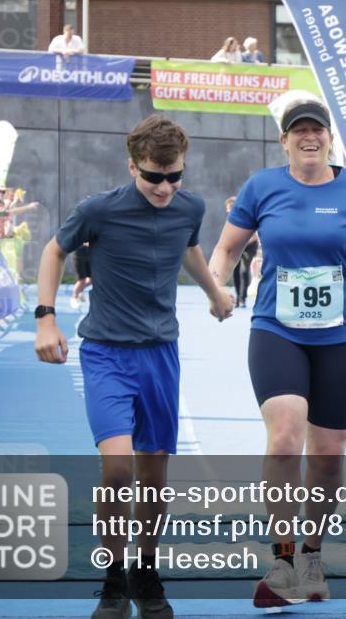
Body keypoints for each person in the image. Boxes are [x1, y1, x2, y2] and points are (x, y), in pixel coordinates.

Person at [208, 98, 346, 608]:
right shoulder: (263, 187)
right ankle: (282, 558)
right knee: (285, 436)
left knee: (327, 456)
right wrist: (218, 286)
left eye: (317, 130)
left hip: (342, 336)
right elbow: (226, 248)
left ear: (330, 139)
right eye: (298, 130)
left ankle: (311, 553)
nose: (308, 137)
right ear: (283, 140)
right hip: (277, 329)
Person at [34, 115, 234, 619]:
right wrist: (46, 319)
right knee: (118, 466)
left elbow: (188, 246)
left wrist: (214, 291)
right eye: (153, 177)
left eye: (174, 176)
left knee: (153, 472)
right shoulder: (98, 209)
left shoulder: (190, 206)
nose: (165, 188)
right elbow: (54, 251)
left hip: (161, 355)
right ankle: (112, 577)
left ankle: (145, 569)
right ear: (133, 167)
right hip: (105, 352)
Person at [224, 195, 259, 307]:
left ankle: (243, 298)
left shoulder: (247, 215)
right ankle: (238, 297)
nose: (228, 210)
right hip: (237, 245)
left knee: (244, 271)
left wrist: (243, 242)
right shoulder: (230, 219)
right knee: (235, 270)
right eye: (228, 208)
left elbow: (254, 235)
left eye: (230, 207)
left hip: (250, 245)